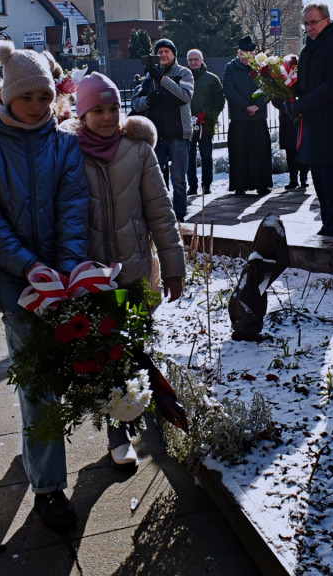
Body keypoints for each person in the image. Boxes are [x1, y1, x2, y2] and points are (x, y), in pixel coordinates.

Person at [0, 39, 88, 531]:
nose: (37, 106)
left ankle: (37, 455)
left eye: (44, 97)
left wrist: (68, 267)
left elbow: (73, 207)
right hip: (17, 286)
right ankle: (49, 488)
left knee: (60, 378)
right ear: (8, 95)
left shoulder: (65, 143)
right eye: (27, 97)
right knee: (37, 386)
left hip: (63, 281)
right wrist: (29, 266)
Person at [64, 72, 185, 470]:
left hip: (134, 269)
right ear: (82, 114)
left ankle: (133, 412)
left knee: (133, 347)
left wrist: (173, 266)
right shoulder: (68, 154)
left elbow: (161, 213)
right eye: (97, 109)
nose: (106, 116)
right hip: (91, 274)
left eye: (113, 108)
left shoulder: (138, 152)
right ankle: (119, 432)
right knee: (106, 352)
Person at [286, 3, 333, 240]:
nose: (309, 27)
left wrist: (299, 105)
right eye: (306, 23)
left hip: (330, 124)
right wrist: (286, 93)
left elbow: (332, 86)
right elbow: (305, 84)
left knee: (330, 180)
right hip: (312, 122)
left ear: (327, 21)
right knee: (319, 180)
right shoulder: (309, 48)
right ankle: (327, 225)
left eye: (314, 22)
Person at [130, 38, 194, 222]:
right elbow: (136, 103)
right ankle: (161, 214)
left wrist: (162, 79)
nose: (163, 55)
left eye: (167, 51)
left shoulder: (184, 73)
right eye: (159, 52)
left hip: (179, 135)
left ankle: (180, 215)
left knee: (179, 180)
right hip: (156, 137)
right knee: (156, 179)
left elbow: (185, 96)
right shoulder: (148, 76)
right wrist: (149, 99)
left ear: (174, 54)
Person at [224, 36, 272, 196]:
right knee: (239, 154)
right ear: (238, 53)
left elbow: (269, 88)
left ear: (255, 53)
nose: (247, 57)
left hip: (258, 118)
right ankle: (240, 185)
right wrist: (246, 106)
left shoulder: (263, 67)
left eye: (250, 53)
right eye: (244, 53)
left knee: (261, 154)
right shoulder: (230, 68)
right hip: (240, 119)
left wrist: (258, 105)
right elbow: (229, 91)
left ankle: (262, 185)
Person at [186, 49, 224, 196]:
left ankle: (206, 185)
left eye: (196, 59)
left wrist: (210, 116)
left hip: (205, 124)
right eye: (190, 60)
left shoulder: (212, 79)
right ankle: (192, 186)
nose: (193, 62)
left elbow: (219, 100)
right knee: (189, 157)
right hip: (188, 124)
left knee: (207, 155)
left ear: (202, 60)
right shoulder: (183, 78)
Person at [272, 96, 309, 190]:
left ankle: (303, 178)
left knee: (303, 148)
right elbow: (275, 98)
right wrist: (288, 107)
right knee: (290, 150)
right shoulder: (279, 81)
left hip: (302, 116)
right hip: (287, 118)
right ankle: (293, 179)